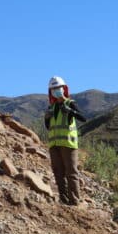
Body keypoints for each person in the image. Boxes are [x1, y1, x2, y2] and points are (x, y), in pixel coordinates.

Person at [43, 76, 87, 205]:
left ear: (64, 89)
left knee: (71, 172)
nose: (56, 90)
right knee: (58, 172)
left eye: (58, 88)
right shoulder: (51, 108)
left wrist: (71, 111)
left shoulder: (70, 103)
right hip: (54, 144)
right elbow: (48, 126)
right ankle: (63, 199)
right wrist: (46, 118)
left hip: (68, 144)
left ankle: (75, 201)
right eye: (53, 89)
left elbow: (83, 118)